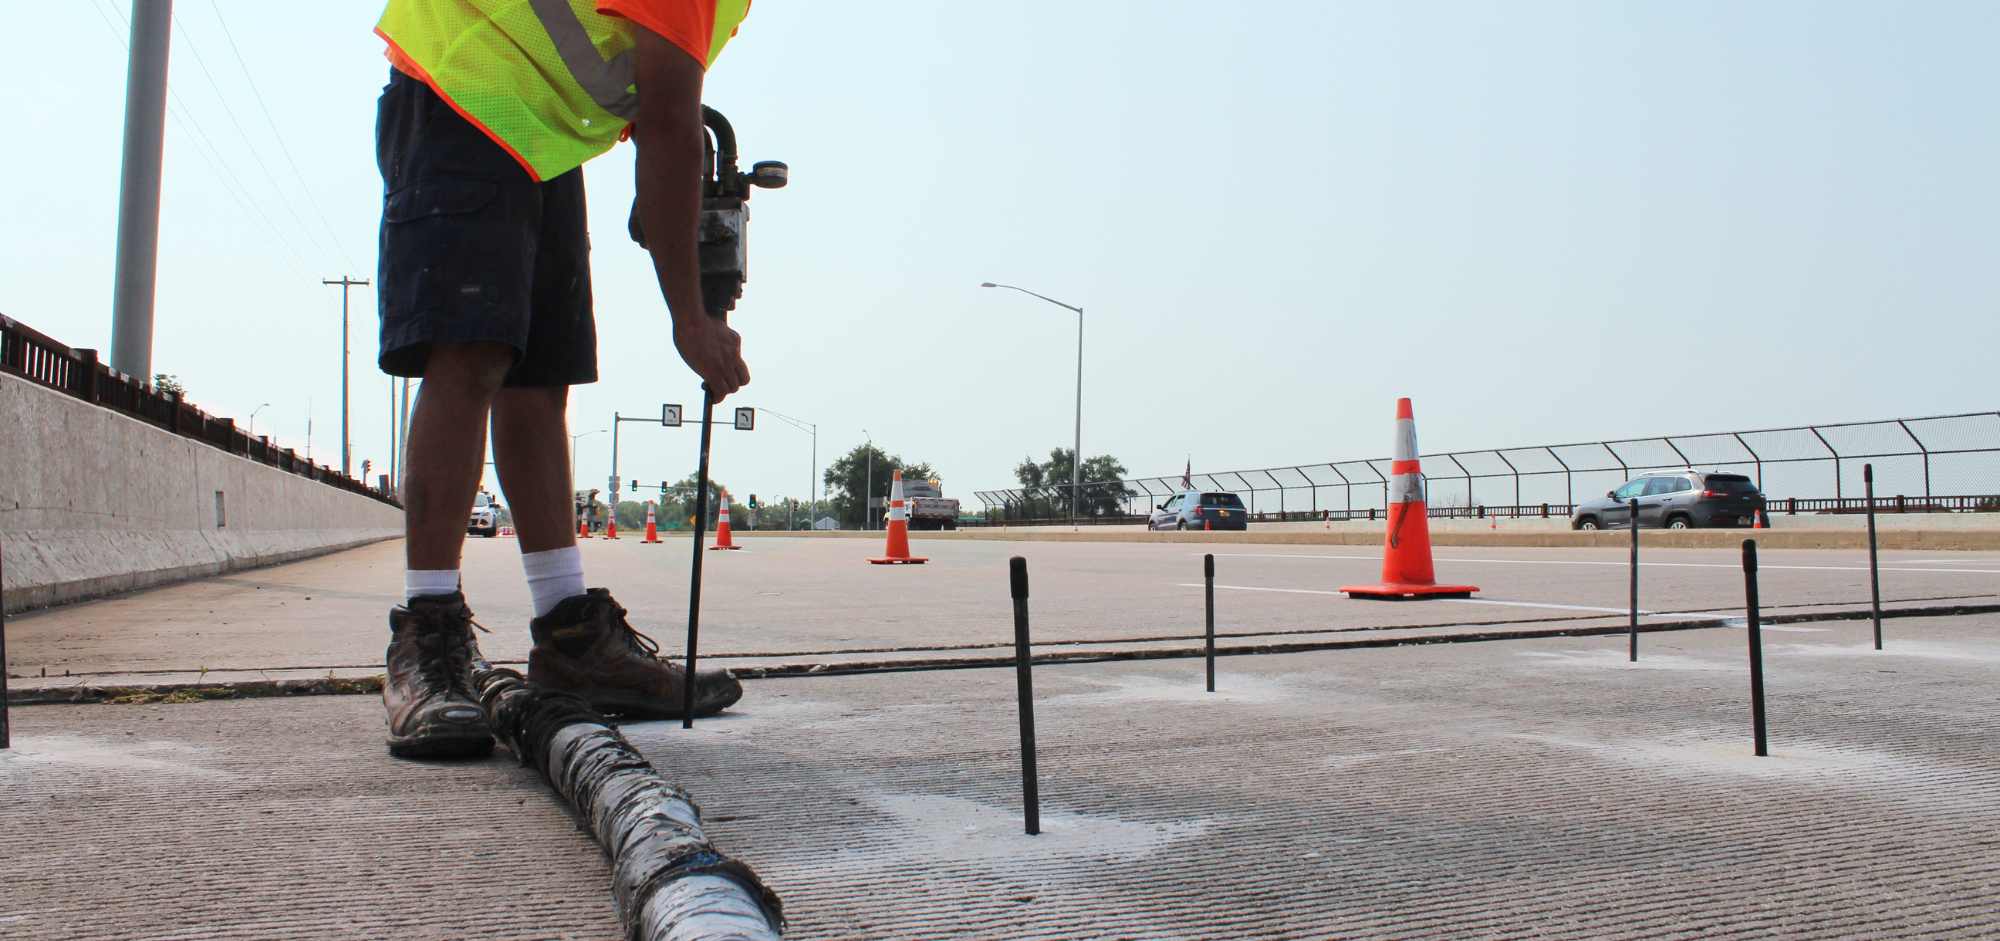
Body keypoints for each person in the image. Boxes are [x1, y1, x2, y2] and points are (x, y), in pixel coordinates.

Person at [372, 0, 755, 758]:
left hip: (536, 129)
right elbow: (671, 126)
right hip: (461, 85)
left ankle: (569, 636)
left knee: (541, 378)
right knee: (469, 353)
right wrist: (690, 317)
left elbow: (663, 122)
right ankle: (427, 635)